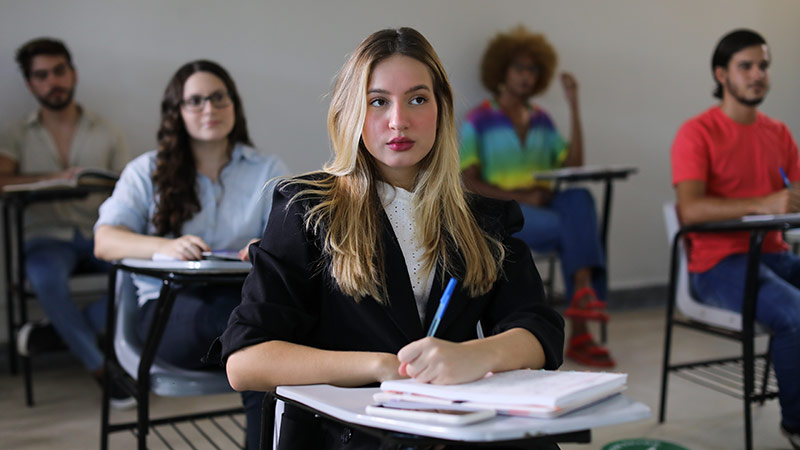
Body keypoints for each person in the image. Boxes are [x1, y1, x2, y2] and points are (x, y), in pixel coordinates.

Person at [216, 27, 564, 450]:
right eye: (377, 101)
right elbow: (246, 361)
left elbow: (538, 331)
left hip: (454, 428)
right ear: (352, 113)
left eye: (418, 99)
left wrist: (476, 355)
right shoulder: (306, 209)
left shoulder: (482, 218)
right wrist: (382, 366)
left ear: (441, 109)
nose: (399, 120)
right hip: (353, 433)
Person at [93, 59, 290, 450]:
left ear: (234, 104)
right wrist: (164, 247)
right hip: (167, 314)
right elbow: (105, 240)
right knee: (261, 345)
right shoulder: (145, 171)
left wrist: (262, 248)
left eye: (219, 98)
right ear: (176, 112)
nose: (209, 109)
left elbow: (291, 244)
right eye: (195, 101)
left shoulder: (267, 169)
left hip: (244, 303)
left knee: (263, 340)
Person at [670, 29, 800, 449]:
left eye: (763, 65)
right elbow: (689, 209)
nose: (758, 74)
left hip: (775, 254)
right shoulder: (697, 132)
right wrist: (764, 203)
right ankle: (796, 424)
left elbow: (792, 198)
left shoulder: (779, 133)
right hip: (718, 263)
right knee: (794, 315)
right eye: (746, 66)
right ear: (721, 74)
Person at [458, 26, 612, 368]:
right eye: (519, 68)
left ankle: (583, 296)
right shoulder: (480, 118)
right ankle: (584, 320)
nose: (526, 76)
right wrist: (520, 194)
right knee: (576, 230)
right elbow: (467, 181)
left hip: (546, 209)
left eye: (533, 70)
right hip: (505, 212)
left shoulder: (542, 119)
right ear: (502, 71)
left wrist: (574, 107)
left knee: (580, 197)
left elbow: (573, 167)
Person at [0, 37, 131, 407]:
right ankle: (101, 370)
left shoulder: (107, 130)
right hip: (44, 238)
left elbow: (129, 189)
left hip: (98, 233)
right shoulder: (15, 133)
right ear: (30, 84)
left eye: (58, 71)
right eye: (41, 75)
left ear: (72, 73)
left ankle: (54, 334)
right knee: (45, 278)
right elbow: (2, 180)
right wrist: (53, 178)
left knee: (137, 276)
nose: (52, 82)